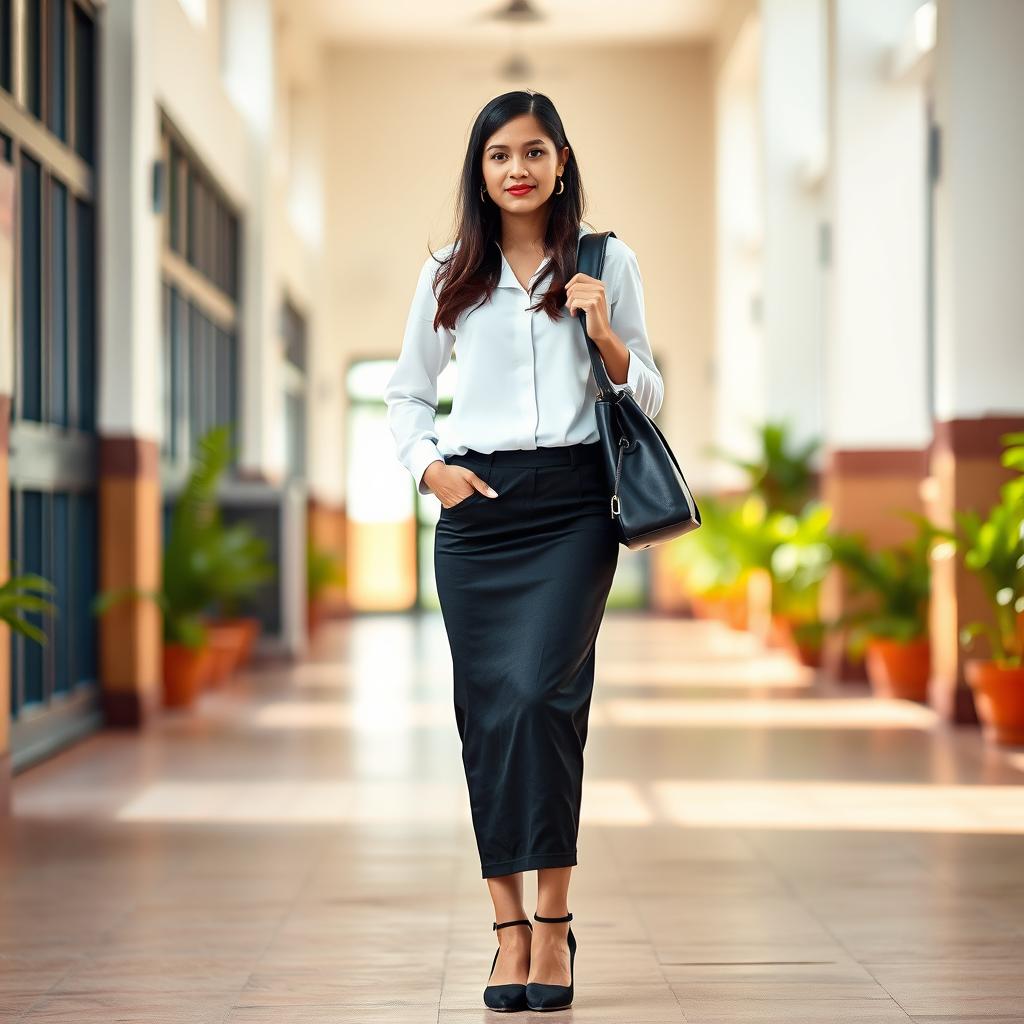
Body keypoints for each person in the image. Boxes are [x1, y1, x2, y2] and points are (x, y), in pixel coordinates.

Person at [383, 88, 664, 1013]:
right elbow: (406, 395)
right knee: (491, 711)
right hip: (480, 512)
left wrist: (607, 336)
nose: (517, 169)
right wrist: (432, 471)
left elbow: (649, 392)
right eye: (500, 154)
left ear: (561, 161)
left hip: (576, 506)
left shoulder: (603, 259)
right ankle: (509, 930)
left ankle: (556, 919)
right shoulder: (448, 272)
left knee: (545, 694)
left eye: (534, 152)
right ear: (481, 169)